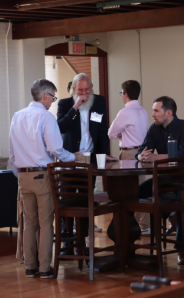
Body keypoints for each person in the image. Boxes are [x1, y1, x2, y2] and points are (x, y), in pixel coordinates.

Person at [10, 79, 83, 279]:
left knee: (29, 223)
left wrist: (20, 174)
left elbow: (12, 151)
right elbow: (55, 149)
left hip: (23, 176)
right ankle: (44, 269)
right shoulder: (46, 117)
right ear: (45, 96)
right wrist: (73, 157)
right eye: (53, 97)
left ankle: (30, 267)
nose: (52, 101)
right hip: (42, 175)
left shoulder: (17, 116)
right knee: (45, 223)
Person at [136, 96, 184, 265]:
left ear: (168, 113)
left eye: (156, 111)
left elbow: (183, 155)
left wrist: (156, 157)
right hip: (164, 179)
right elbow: (142, 150)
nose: (153, 114)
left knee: (180, 203)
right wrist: (141, 155)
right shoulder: (154, 129)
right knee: (133, 194)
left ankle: (181, 249)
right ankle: (128, 245)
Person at [57, 73, 115, 241]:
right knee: (67, 198)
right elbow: (61, 126)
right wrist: (75, 107)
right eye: (80, 90)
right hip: (69, 159)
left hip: (89, 159)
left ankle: (83, 237)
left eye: (87, 90)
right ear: (74, 89)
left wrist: (103, 157)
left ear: (91, 88)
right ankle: (67, 239)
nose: (84, 94)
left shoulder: (99, 101)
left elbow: (103, 131)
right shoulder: (65, 104)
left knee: (85, 199)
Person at [108, 80, 150, 234]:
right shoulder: (143, 111)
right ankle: (143, 225)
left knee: (128, 190)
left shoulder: (125, 112)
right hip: (142, 152)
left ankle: (133, 225)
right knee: (140, 189)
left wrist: (121, 134)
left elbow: (111, 133)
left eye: (121, 93)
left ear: (125, 94)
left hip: (129, 154)